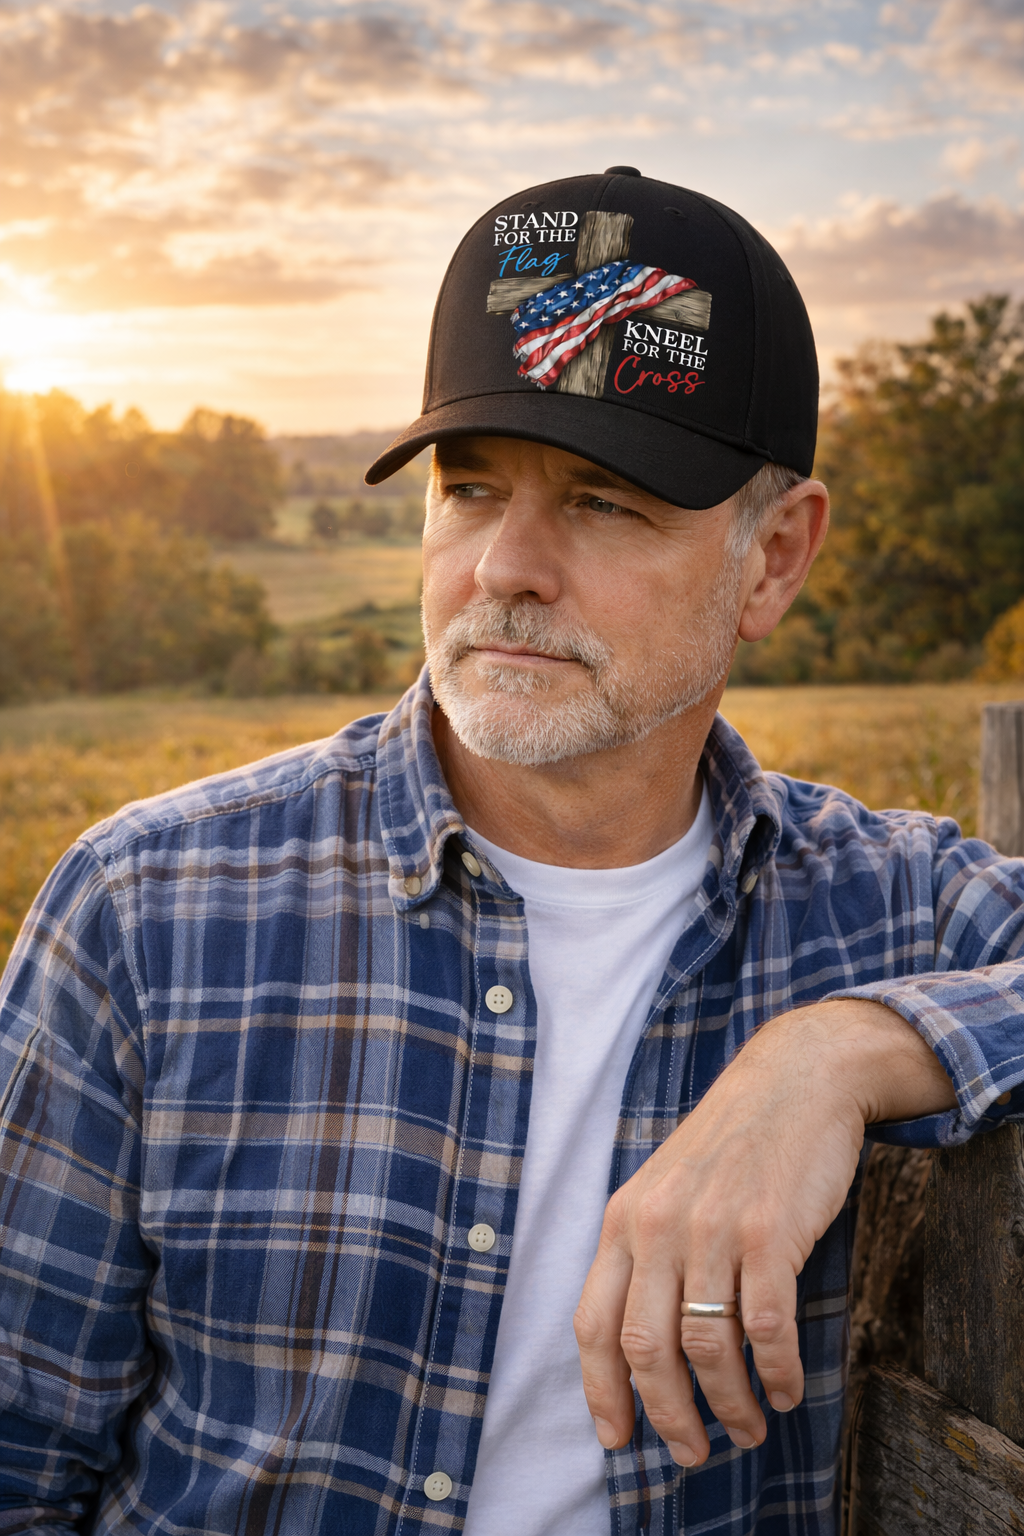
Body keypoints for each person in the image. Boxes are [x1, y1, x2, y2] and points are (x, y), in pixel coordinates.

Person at [0, 168, 1022, 1536]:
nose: (505, 568)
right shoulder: (146, 911)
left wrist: (831, 1054)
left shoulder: (877, 904)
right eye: (469, 487)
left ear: (774, 558)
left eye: (605, 501)